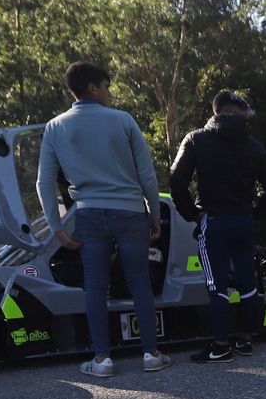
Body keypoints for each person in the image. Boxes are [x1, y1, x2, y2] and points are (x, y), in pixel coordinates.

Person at [37, 62, 169, 378]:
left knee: (95, 286)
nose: (109, 93)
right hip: (130, 212)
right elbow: (147, 176)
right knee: (139, 282)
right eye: (106, 86)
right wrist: (153, 213)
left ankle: (102, 360)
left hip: (88, 214)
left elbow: (44, 182)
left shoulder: (55, 127)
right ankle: (151, 354)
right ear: (94, 87)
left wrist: (56, 229)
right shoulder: (123, 121)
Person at [169, 90, 266, 363]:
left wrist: (191, 215)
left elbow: (176, 180)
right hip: (244, 222)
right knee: (248, 284)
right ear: (241, 115)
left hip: (214, 221)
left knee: (216, 285)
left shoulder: (196, 139)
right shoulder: (253, 145)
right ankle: (245, 341)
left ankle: (220, 347)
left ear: (215, 110)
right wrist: (255, 214)